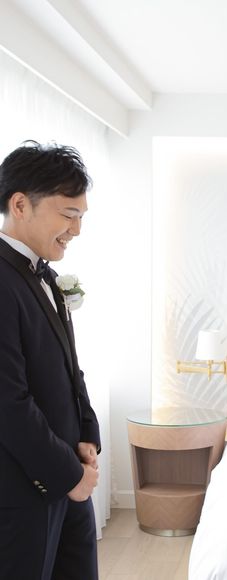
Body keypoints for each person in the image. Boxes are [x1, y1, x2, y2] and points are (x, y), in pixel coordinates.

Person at [0, 141, 100, 580]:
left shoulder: (47, 275)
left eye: (81, 217)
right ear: (20, 204)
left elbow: (68, 366)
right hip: (25, 489)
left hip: (68, 476)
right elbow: (8, 402)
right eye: (68, 215)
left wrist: (87, 434)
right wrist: (67, 475)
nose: (76, 230)